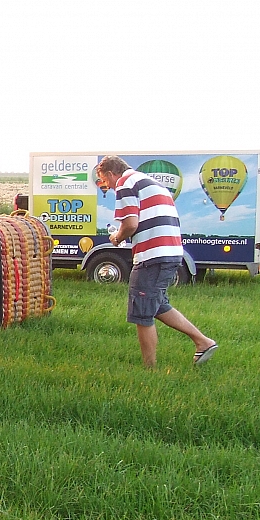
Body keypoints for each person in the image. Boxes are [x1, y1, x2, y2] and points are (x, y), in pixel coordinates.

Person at [96, 155, 217, 368]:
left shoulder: (125, 183)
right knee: (157, 304)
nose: (109, 187)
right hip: (171, 252)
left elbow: (130, 223)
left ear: (110, 173)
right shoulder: (152, 183)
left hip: (151, 255)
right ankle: (203, 342)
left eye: (106, 181)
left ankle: (149, 368)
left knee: (142, 312)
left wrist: (117, 237)